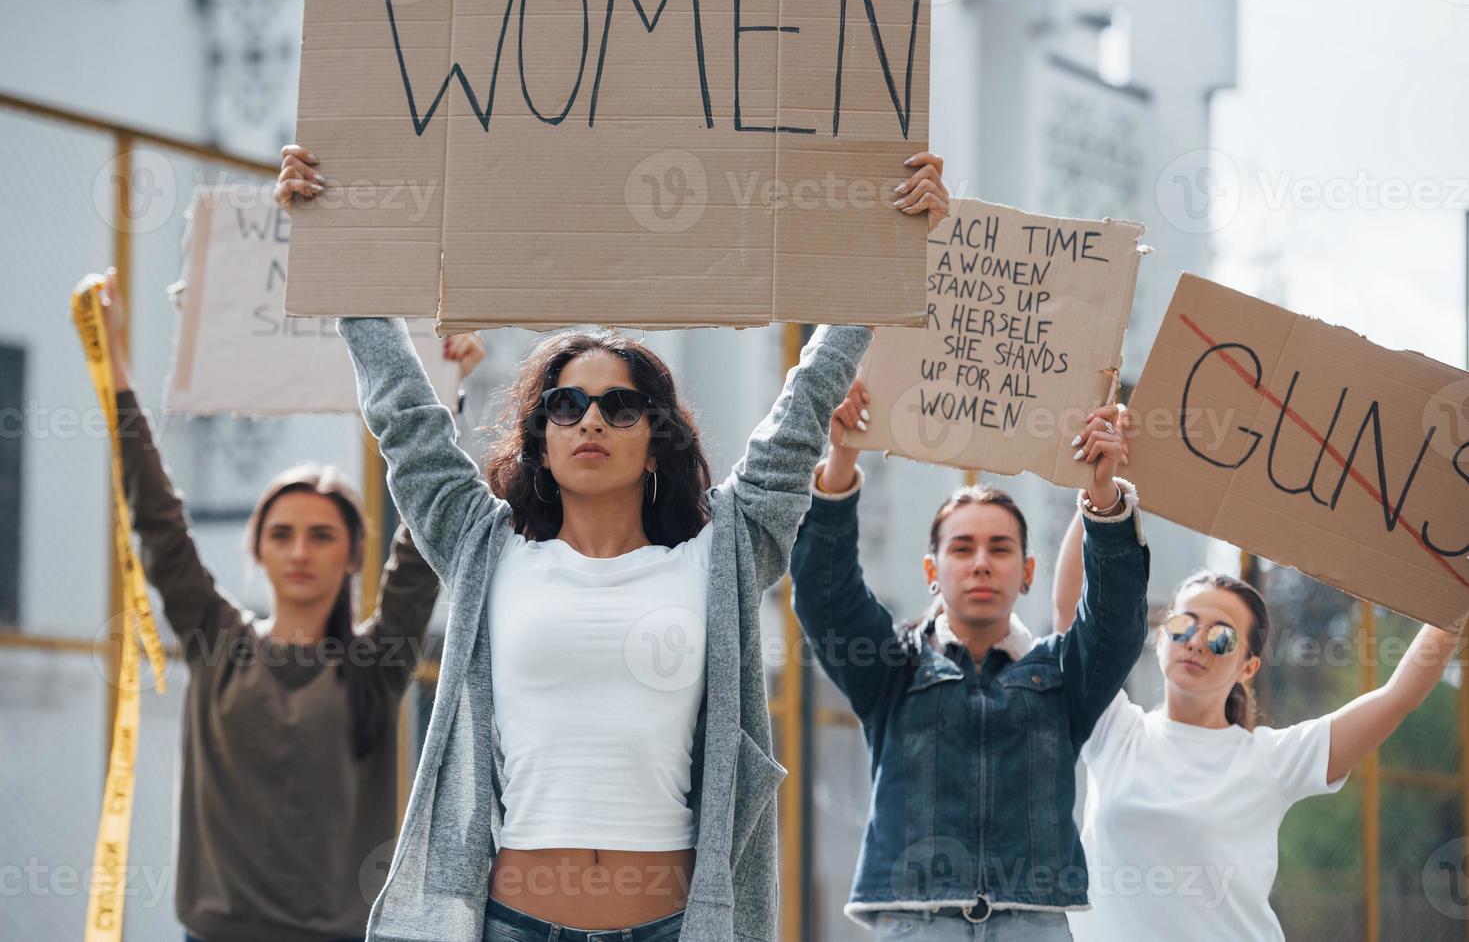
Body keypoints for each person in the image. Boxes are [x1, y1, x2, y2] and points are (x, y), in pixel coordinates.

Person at [275, 144, 952, 942]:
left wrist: (886, 251)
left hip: (673, 926)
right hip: (511, 924)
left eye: (619, 407)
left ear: (655, 437)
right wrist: (338, 243)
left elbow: (803, 409)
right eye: (564, 405)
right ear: (539, 436)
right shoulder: (483, 544)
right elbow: (405, 419)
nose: (590, 420)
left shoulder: (721, 551)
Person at [78, 268, 484, 942]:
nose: (300, 551)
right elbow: (157, 518)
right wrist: (113, 358)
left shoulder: (377, 660)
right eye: (282, 534)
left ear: (352, 556)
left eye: (321, 535)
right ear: (258, 550)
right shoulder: (218, 641)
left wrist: (452, 391)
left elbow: (425, 535)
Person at [788, 386, 1150, 940]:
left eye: (1000, 549)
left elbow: (1116, 622)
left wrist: (1102, 497)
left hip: (1033, 925)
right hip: (915, 922)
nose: (981, 563)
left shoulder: (1062, 676)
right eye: (962, 548)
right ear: (932, 572)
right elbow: (824, 594)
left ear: (1028, 572)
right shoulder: (891, 670)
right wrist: (840, 460)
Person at [1052, 519, 1465, 941]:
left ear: (1247, 667)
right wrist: (1098, 501)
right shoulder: (1113, 730)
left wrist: (1456, 594)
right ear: (1161, 638)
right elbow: (1068, 617)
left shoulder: (1269, 759)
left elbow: (1398, 697)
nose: (1196, 641)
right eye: (1183, 625)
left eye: (1222, 638)